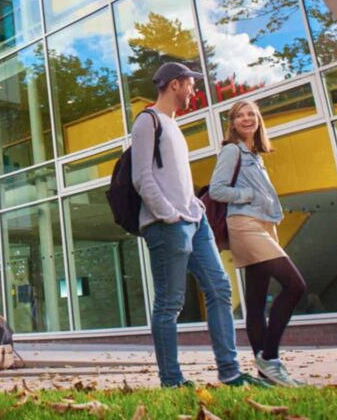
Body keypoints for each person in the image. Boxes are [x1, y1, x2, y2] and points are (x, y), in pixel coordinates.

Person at [130, 62, 267, 388]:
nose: (194, 90)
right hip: (167, 226)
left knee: (220, 288)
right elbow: (142, 177)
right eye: (191, 84)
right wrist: (170, 214)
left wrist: (195, 208)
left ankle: (230, 372)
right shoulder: (147, 121)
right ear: (175, 84)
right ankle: (172, 380)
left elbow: (174, 179)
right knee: (170, 303)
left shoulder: (173, 126)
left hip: (194, 221)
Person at [209, 100, 306, 387]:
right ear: (233, 123)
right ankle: (270, 357)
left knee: (254, 302)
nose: (247, 118)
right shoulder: (231, 151)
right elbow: (217, 189)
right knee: (295, 285)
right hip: (246, 225)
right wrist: (248, 195)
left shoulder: (255, 154)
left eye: (251, 113)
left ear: (259, 119)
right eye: (240, 115)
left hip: (263, 225)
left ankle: (266, 373)